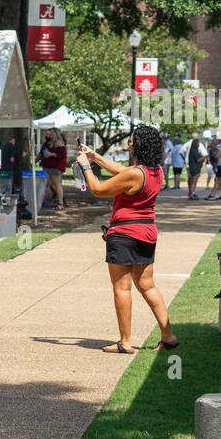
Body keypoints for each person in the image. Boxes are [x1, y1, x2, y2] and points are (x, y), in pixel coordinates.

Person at [76, 124, 178, 354]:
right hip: (147, 232)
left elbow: (99, 190)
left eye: (131, 140)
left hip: (124, 234)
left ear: (139, 145)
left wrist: (85, 166)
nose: (129, 143)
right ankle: (168, 335)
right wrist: (95, 156)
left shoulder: (134, 174)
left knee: (122, 288)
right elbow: (122, 171)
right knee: (147, 285)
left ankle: (125, 342)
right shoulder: (155, 172)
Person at [37, 129, 67, 209]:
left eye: (49, 134)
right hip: (46, 167)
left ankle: (60, 204)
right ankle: (40, 203)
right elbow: (40, 154)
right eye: (46, 134)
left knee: (57, 185)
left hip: (55, 168)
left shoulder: (59, 144)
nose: (46, 136)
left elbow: (62, 155)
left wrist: (52, 154)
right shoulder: (46, 144)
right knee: (45, 185)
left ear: (54, 135)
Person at [184, 131, 206, 200]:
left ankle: (191, 193)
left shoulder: (191, 150)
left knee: (191, 181)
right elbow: (198, 160)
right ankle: (192, 194)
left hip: (191, 167)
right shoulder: (195, 151)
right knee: (193, 182)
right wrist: (203, 157)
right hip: (195, 168)